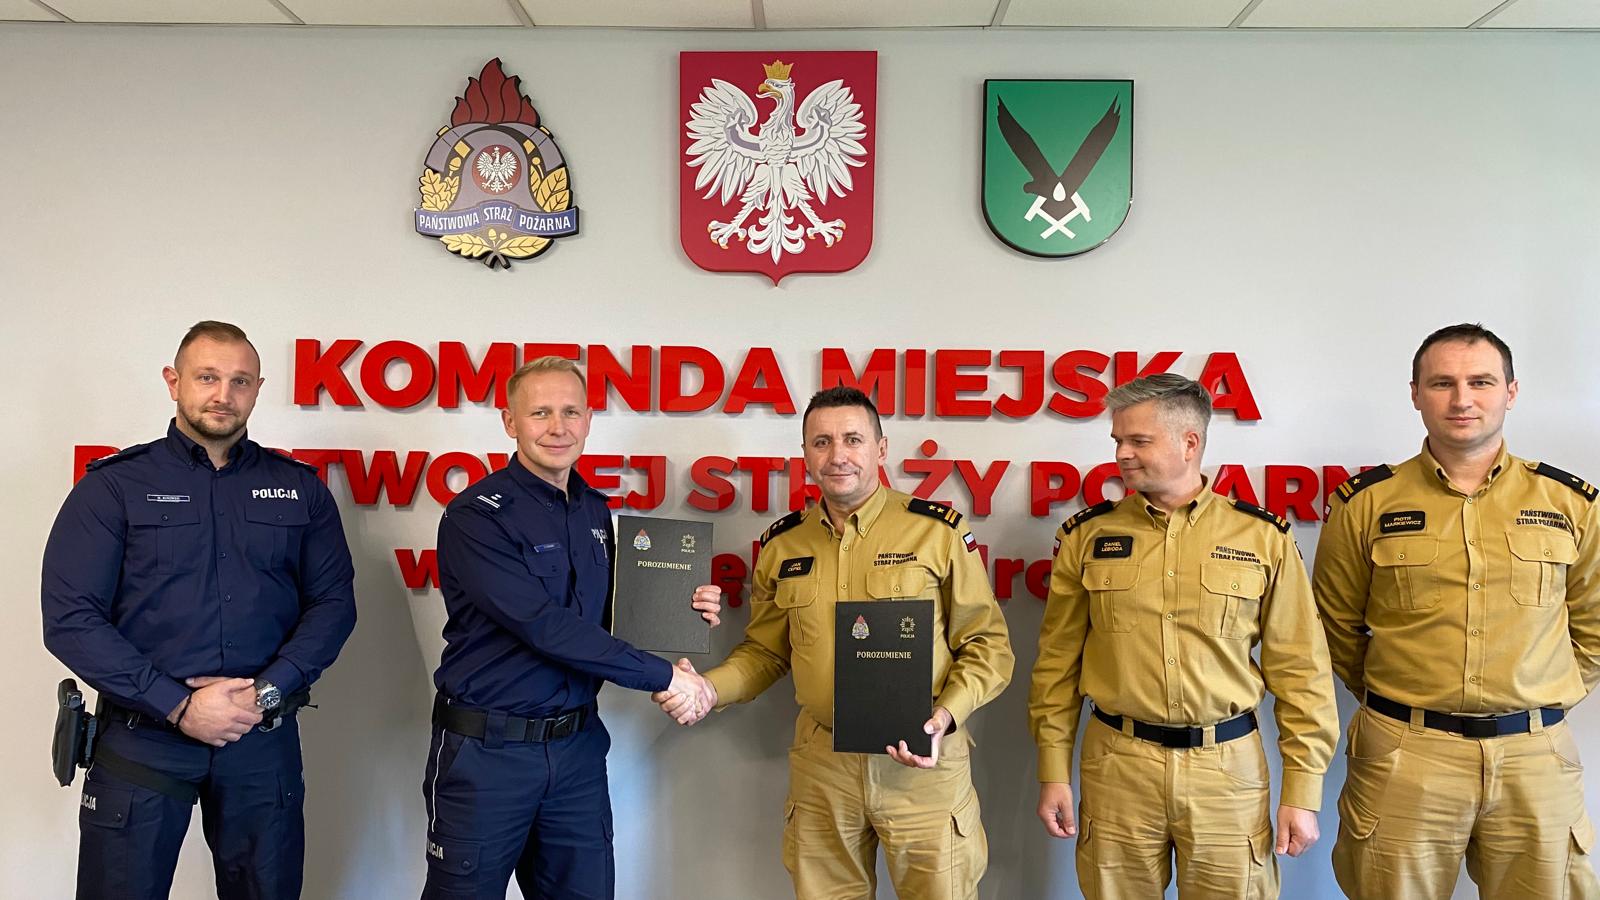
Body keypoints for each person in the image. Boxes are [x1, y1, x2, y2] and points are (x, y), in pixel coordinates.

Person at [657, 386, 1014, 899]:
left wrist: (946, 716)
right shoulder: (782, 545)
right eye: (821, 442)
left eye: (852, 439)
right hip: (823, 766)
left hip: (922, 764)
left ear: (881, 449)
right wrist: (709, 689)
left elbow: (988, 645)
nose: (837, 455)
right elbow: (765, 653)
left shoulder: (936, 533)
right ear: (805, 453)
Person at [42, 320, 357, 900]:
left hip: (259, 737)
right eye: (207, 377)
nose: (223, 395)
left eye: (240, 381)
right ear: (174, 381)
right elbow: (71, 618)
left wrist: (265, 694)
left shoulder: (300, 489)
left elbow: (334, 605)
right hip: (142, 738)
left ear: (258, 389)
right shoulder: (113, 487)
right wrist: (179, 704)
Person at [1314, 323, 1600, 899]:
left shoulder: (1570, 503)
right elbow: (1335, 627)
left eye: (1481, 382)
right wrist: (1401, 699)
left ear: (1510, 392)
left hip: (1535, 759)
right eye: (1442, 383)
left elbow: (1593, 626)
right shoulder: (1366, 503)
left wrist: (1539, 695)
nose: (1462, 399)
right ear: (1415, 394)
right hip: (1405, 754)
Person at [422, 355, 722, 900]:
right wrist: (664, 677)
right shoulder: (477, 516)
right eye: (540, 413)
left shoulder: (591, 510)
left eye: (571, 412)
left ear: (588, 420)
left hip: (576, 750)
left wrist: (684, 608)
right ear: (510, 422)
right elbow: (545, 626)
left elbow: (603, 619)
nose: (557, 427)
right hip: (489, 754)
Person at [1030, 373, 1338, 898]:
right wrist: (1052, 770)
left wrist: (1303, 791)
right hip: (1118, 767)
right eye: (1117, 441)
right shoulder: (1088, 536)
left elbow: (1301, 671)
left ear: (1189, 442)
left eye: (1138, 440)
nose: (1121, 454)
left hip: (1227, 772)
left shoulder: (1261, 538)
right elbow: (1056, 666)